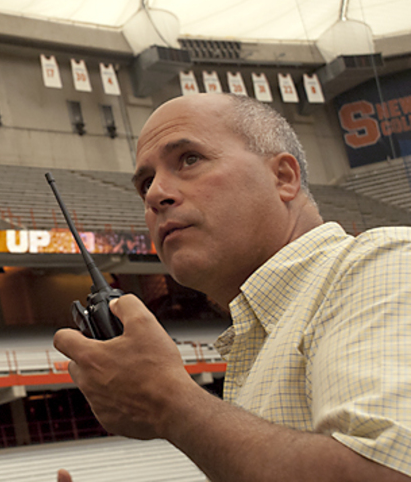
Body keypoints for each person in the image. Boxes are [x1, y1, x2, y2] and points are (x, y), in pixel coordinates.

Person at [54, 93, 411, 481]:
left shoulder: (383, 261)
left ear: (283, 177)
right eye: (145, 183)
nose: (155, 194)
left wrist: (169, 401)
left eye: (189, 159)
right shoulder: (256, 340)